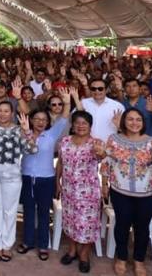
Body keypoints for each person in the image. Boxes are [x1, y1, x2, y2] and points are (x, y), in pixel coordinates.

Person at [98, 108, 152, 276]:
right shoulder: (113, 139)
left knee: (142, 227)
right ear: (123, 122)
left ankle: (139, 260)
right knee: (122, 225)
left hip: (147, 193)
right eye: (130, 119)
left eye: (138, 120)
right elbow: (106, 162)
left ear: (143, 123)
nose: (134, 123)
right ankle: (121, 257)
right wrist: (104, 184)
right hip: (120, 191)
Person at [0, 102, 37, 262]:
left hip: (12, 178)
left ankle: (7, 245)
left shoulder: (19, 130)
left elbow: (32, 150)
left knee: (9, 212)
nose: (2, 114)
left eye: (6, 111)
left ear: (12, 114)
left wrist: (27, 131)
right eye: (0, 111)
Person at [18, 88, 72, 260]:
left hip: (46, 179)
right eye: (37, 119)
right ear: (31, 120)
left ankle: (43, 244)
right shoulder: (22, 134)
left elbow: (64, 118)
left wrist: (68, 101)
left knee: (43, 212)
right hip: (27, 177)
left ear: (48, 122)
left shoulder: (51, 134)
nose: (40, 122)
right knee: (28, 211)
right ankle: (27, 241)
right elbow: (27, 147)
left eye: (44, 119)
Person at [57, 110, 102, 274]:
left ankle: (84, 254)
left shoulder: (95, 143)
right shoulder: (65, 141)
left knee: (88, 224)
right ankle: (72, 250)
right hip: (68, 190)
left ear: (90, 126)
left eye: (84, 123)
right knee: (70, 221)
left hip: (88, 192)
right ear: (72, 125)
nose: (80, 126)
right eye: (77, 123)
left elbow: (102, 157)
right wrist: (57, 182)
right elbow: (60, 163)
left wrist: (101, 152)